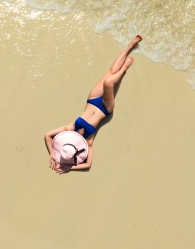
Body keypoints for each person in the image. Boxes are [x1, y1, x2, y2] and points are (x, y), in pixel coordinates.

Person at [44, 35, 143, 173]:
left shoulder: (69, 128)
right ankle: (124, 68)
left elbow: (47, 135)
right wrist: (70, 168)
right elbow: (88, 165)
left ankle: (129, 47)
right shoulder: (88, 142)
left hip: (92, 100)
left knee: (110, 73)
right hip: (105, 107)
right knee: (108, 83)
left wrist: (52, 154)